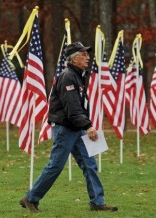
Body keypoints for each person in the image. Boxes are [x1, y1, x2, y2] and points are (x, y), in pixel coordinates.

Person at [19, 41, 118, 212]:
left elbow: (79, 106)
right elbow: (72, 108)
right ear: (73, 59)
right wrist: (88, 126)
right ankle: (30, 198)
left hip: (76, 127)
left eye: (87, 54)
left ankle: (97, 202)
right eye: (83, 54)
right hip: (65, 128)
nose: (88, 57)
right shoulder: (68, 77)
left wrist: (84, 126)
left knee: (89, 165)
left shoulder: (78, 75)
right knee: (56, 165)